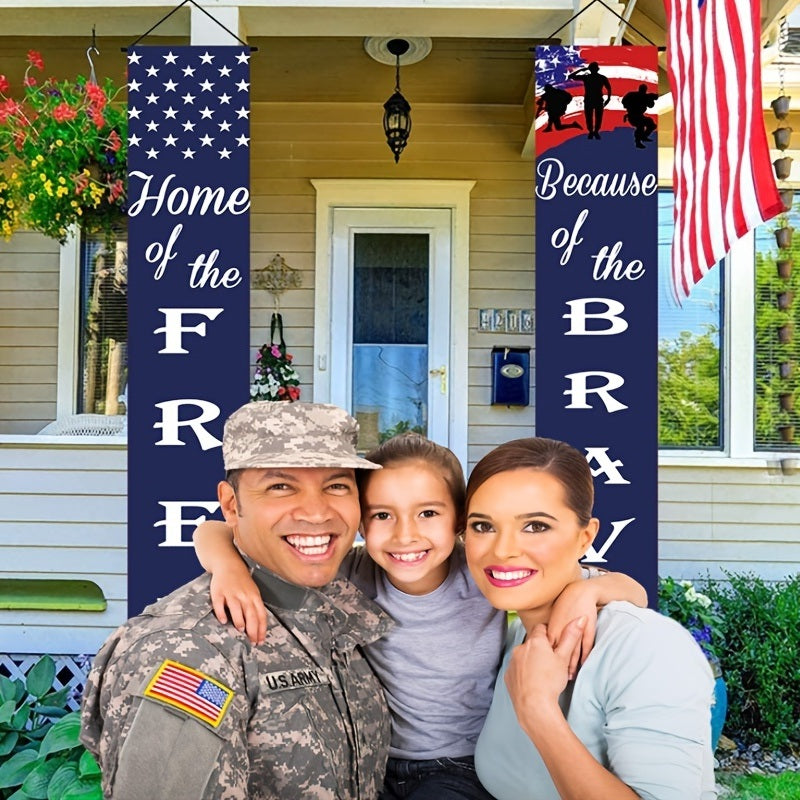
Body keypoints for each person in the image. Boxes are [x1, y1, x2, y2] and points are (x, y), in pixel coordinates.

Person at [195, 432, 648, 800]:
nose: (406, 535)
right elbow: (213, 527)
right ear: (359, 523)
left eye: (428, 513)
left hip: (462, 767)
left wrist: (587, 594)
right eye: (382, 515)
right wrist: (228, 566)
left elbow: (635, 590)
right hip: (374, 762)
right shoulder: (352, 573)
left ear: (460, 522)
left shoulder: (485, 573)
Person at [80, 401, 393, 800]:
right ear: (231, 504)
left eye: (336, 486)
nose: (317, 513)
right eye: (281, 486)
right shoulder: (190, 651)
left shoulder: (337, 603)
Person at [465, 437, 717, 800]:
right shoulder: (512, 634)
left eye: (535, 526)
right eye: (483, 526)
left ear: (586, 537)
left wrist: (537, 709)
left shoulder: (643, 646)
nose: (503, 549)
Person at [569, 62, 612, 139]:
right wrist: (608, 98)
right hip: (592, 100)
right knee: (592, 117)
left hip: (595, 100)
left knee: (594, 117)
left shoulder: (592, 77)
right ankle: (593, 132)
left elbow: (608, 88)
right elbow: (571, 76)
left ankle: (594, 132)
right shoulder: (594, 77)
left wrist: (582, 70)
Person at [622, 84, 658, 149]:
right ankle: (638, 142)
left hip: (640, 116)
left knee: (651, 124)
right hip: (632, 116)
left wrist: (650, 98)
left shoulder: (644, 97)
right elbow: (624, 102)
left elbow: (651, 105)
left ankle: (643, 136)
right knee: (640, 126)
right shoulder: (632, 95)